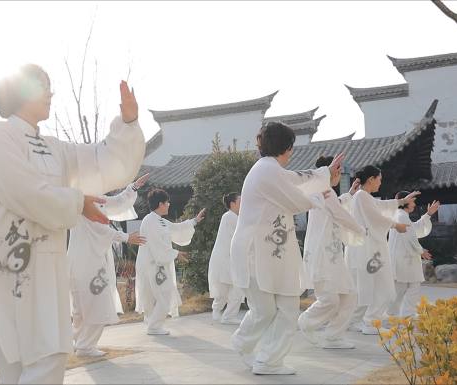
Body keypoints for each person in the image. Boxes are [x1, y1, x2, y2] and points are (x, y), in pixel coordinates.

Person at [0, 64, 145, 384]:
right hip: (5, 274)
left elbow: (102, 161)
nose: (50, 94)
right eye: (42, 87)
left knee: (45, 358)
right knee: (27, 365)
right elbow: (24, 191)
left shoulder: (55, 148)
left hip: (45, 276)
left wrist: (127, 124)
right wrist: (78, 203)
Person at [229, 121, 345, 375]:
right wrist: (324, 189)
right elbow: (296, 199)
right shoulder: (268, 171)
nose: (292, 153)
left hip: (265, 252)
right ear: (287, 147)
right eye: (291, 147)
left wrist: (326, 176)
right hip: (257, 253)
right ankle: (262, 356)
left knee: (273, 309)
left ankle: (258, 353)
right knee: (271, 309)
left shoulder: (268, 169)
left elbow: (296, 179)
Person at [69, 174, 149, 357]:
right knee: (96, 303)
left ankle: (78, 341)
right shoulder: (84, 202)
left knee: (82, 307)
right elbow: (99, 228)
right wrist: (127, 237)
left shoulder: (90, 199)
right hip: (88, 262)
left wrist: (133, 188)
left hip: (82, 260)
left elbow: (116, 202)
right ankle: (85, 346)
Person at [298, 156, 366, 349]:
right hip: (323, 256)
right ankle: (306, 322)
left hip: (332, 256)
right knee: (330, 299)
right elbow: (338, 213)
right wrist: (360, 229)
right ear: (331, 170)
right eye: (338, 170)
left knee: (349, 295)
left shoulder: (326, 193)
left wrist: (350, 194)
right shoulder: (322, 190)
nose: (339, 174)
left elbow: (335, 206)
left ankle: (333, 336)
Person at [344, 165, 419, 335]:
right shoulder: (362, 196)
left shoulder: (363, 196)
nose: (380, 183)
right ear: (371, 179)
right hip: (369, 250)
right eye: (379, 179)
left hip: (369, 249)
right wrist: (395, 225)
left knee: (370, 287)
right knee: (382, 287)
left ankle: (357, 321)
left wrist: (401, 201)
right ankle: (370, 323)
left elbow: (380, 206)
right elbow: (376, 217)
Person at [135, 188, 205, 335]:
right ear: (160, 204)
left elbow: (176, 228)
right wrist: (176, 253)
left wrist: (194, 221)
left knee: (163, 295)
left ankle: (153, 324)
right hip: (153, 265)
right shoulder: (150, 221)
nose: (169, 205)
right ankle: (154, 326)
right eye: (167, 203)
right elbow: (156, 245)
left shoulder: (160, 221)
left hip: (159, 264)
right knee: (164, 295)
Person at [387, 192, 440, 318]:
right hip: (404, 259)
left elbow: (414, 229)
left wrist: (428, 214)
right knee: (407, 287)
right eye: (413, 201)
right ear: (405, 201)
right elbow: (410, 235)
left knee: (403, 288)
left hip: (403, 259)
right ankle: (403, 314)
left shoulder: (401, 215)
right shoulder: (401, 216)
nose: (414, 204)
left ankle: (395, 314)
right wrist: (420, 250)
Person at [208, 192, 245, 325]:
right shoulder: (230, 217)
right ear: (233, 203)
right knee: (223, 289)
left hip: (231, 260)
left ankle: (227, 315)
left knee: (237, 288)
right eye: (240, 201)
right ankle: (218, 311)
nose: (243, 204)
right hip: (224, 259)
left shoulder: (235, 217)